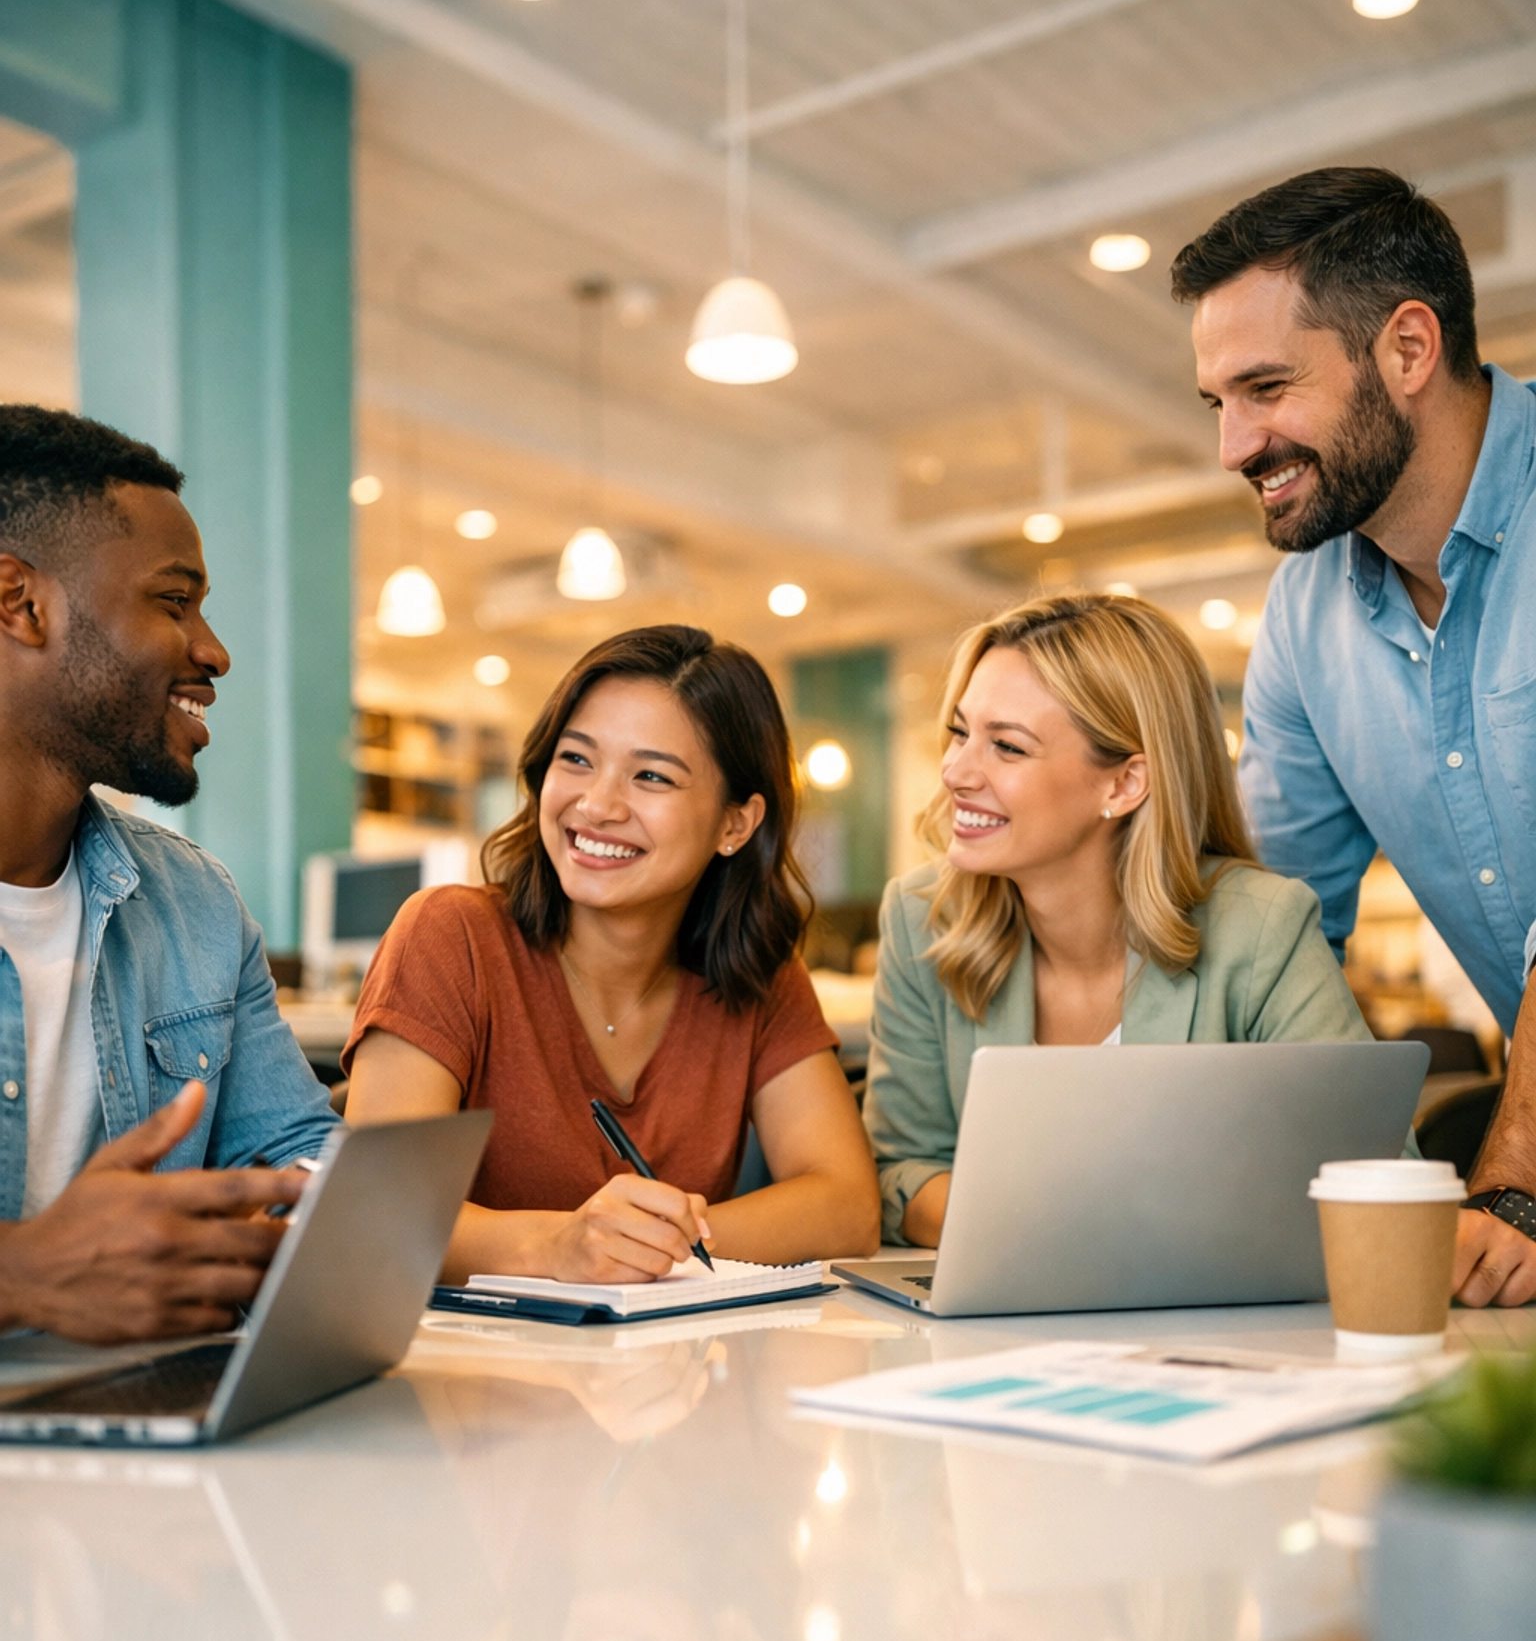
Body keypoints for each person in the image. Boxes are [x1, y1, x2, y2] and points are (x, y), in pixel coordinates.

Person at [1173, 166, 1536, 1307]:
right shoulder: (1306, 616)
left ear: (1409, 349)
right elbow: (1273, 930)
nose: (1235, 446)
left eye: (1267, 387)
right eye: (1217, 403)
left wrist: (1515, 1184)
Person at [343, 623, 880, 1280]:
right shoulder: (451, 935)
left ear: (735, 824)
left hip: (660, 1370)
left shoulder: (755, 974)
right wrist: (560, 1246)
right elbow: (373, 1218)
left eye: (650, 776)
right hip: (463, 1369)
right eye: (576, 759)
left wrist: (650, 1243)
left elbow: (848, 1208)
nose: (596, 804)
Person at [863, 592, 1371, 1246]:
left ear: (1125, 784)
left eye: (1007, 748)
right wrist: (1066, 1233)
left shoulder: (1263, 928)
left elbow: (1375, 1176)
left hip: (1212, 1330)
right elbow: (895, 1173)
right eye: (961, 732)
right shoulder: (921, 918)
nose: (955, 770)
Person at [0, 405, 333, 1344]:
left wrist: (301, 1208)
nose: (214, 650)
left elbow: (297, 1153)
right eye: (173, 601)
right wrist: (22, 1278)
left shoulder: (195, 902)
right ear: (20, 602)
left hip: (144, 1442)